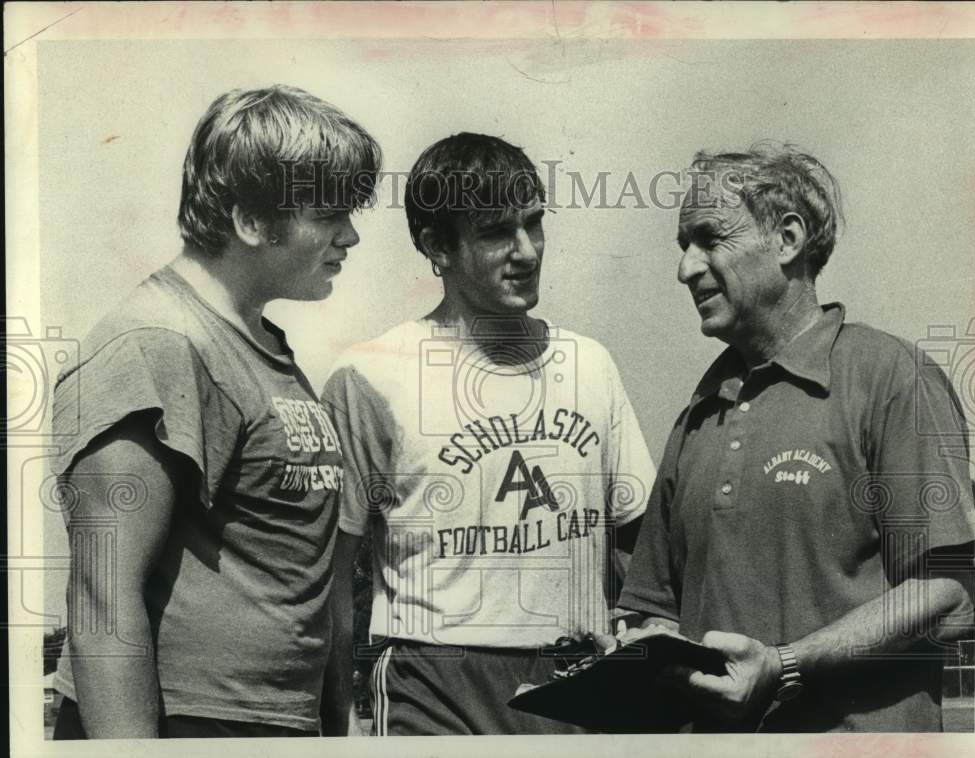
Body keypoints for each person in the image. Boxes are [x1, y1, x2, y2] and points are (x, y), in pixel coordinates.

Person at [50, 85, 382, 739]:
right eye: (330, 214)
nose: (351, 235)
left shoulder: (259, 345)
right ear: (252, 221)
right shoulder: (154, 343)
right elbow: (100, 600)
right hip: (190, 724)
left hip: (270, 724)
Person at [615, 144, 975, 732]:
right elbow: (652, 609)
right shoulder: (699, 414)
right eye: (683, 245)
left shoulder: (887, 378)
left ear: (787, 239)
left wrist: (784, 666)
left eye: (709, 239)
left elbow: (951, 595)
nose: (686, 267)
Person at [322, 132, 655, 735]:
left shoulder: (589, 363)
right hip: (434, 677)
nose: (526, 250)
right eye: (497, 231)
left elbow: (640, 548)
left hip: (573, 675)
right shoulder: (370, 375)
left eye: (534, 223)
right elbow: (335, 573)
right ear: (436, 247)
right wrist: (338, 716)